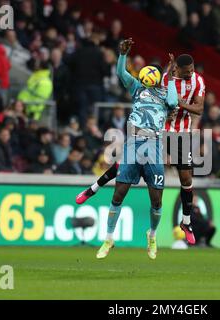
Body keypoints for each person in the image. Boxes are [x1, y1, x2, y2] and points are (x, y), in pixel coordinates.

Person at [74, 52, 206, 246]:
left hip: (181, 133)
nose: (191, 74)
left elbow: (199, 108)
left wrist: (179, 104)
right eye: (187, 71)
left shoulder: (198, 81)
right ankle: (94, 188)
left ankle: (186, 223)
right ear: (176, 68)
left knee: (186, 179)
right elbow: (157, 101)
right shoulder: (159, 78)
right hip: (157, 131)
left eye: (192, 70)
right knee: (124, 164)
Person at [77, 38, 178, 260]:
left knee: (156, 200)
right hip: (134, 143)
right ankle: (109, 238)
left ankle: (152, 236)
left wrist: (171, 78)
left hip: (154, 146)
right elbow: (122, 74)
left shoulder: (165, 94)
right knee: (119, 193)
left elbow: (173, 101)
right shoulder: (137, 88)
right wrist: (122, 55)